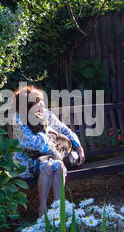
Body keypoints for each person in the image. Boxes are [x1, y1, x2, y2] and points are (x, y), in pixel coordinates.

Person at [11, 85, 85, 217]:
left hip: (47, 157)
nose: (43, 108)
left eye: (42, 104)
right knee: (48, 166)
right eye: (39, 104)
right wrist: (46, 130)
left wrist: (78, 147)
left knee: (59, 165)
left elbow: (64, 130)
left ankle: (58, 208)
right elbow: (35, 144)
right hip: (26, 161)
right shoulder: (18, 120)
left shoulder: (45, 115)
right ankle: (42, 209)